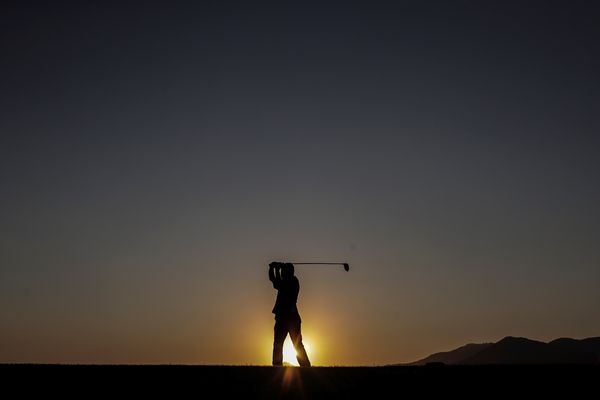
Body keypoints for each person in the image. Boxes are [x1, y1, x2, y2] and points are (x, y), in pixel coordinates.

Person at [269, 261, 311, 367]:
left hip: (290, 318)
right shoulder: (288, 281)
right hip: (284, 318)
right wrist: (273, 268)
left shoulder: (292, 281)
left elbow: (277, 282)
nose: (282, 272)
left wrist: (276, 269)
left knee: (296, 345)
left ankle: (305, 366)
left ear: (288, 272)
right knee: (278, 344)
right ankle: (277, 366)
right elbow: (274, 281)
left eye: (284, 271)